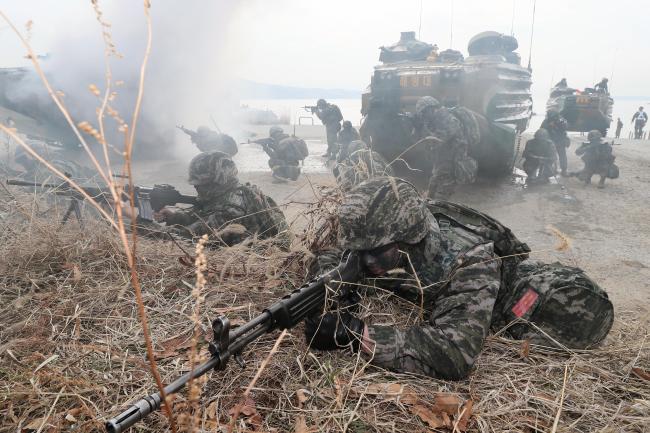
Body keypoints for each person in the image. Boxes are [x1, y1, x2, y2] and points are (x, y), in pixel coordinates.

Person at [304, 177, 613, 380]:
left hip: (523, 300)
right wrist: (333, 287)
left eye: (377, 253)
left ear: (410, 239)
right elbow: (335, 257)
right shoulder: (388, 233)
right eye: (361, 251)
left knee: (558, 311)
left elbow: (454, 355)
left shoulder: (471, 260)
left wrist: (357, 333)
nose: (367, 261)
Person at [154, 151, 290, 247]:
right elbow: (203, 215)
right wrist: (175, 217)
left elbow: (183, 237)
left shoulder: (230, 210)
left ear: (218, 181)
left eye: (201, 184)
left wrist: (140, 225)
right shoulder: (237, 190)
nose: (196, 187)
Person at [411, 96, 479, 200]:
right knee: (429, 197)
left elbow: (434, 142)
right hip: (440, 166)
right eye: (422, 114)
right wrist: (416, 128)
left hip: (451, 167)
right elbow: (419, 143)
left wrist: (422, 128)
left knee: (440, 201)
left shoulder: (450, 121)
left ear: (432, 109)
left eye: (424, 113)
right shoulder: (433, 122)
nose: (423, 116)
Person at [540, 110, 570, 176]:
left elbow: (566, 127)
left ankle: (564, 170)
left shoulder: (561, 120)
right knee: (550, 155)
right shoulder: (546, 121)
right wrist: (549, 126)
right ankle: (551, 169)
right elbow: (541, 129)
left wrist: (559, 124)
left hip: (560, 140)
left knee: (562, 155)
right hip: (550, 141)